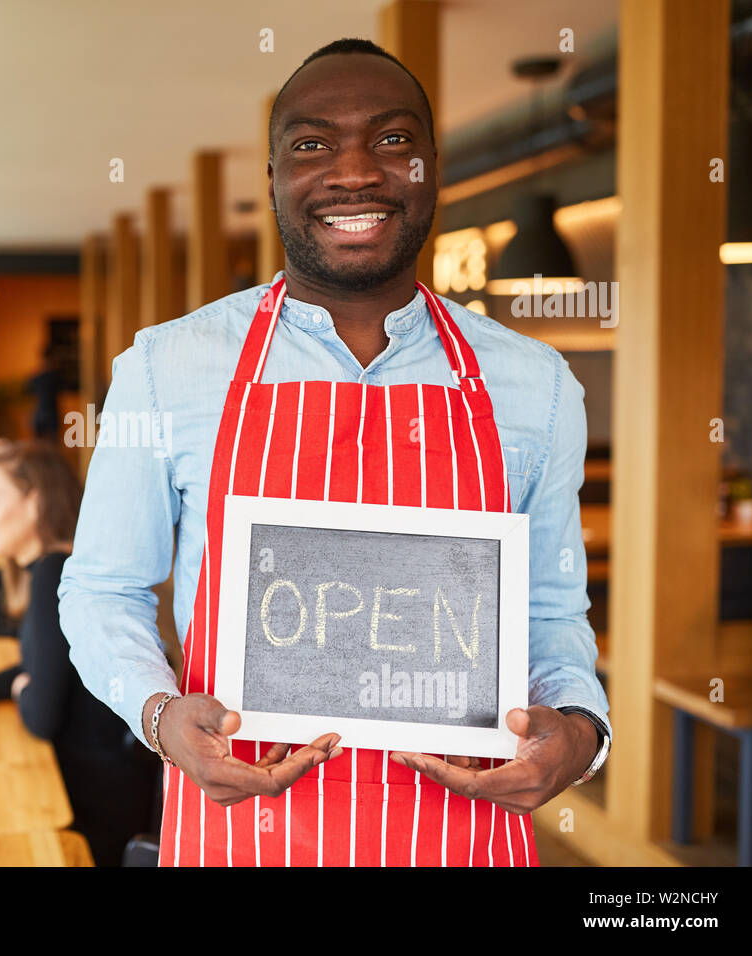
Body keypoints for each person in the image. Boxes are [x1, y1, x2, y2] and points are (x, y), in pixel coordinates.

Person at [58, 38, 612, 867]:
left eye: (392, 141)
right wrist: (161, 714)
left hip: (457, 837)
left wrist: (578, 731)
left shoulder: (534, 387)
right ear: (275, 179)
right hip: (242, 835)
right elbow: (103, 588)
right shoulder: (166, 370)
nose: (354, 172)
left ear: (432, 169)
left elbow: (550, 613)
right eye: (312, 145)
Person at [0, 441, 161, 866]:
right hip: (109, 784)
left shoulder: (51, 577)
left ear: (34, 501)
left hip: (91, 805)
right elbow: (38, 671)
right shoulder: (61, 568)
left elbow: (40, 716)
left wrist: (26, 691)